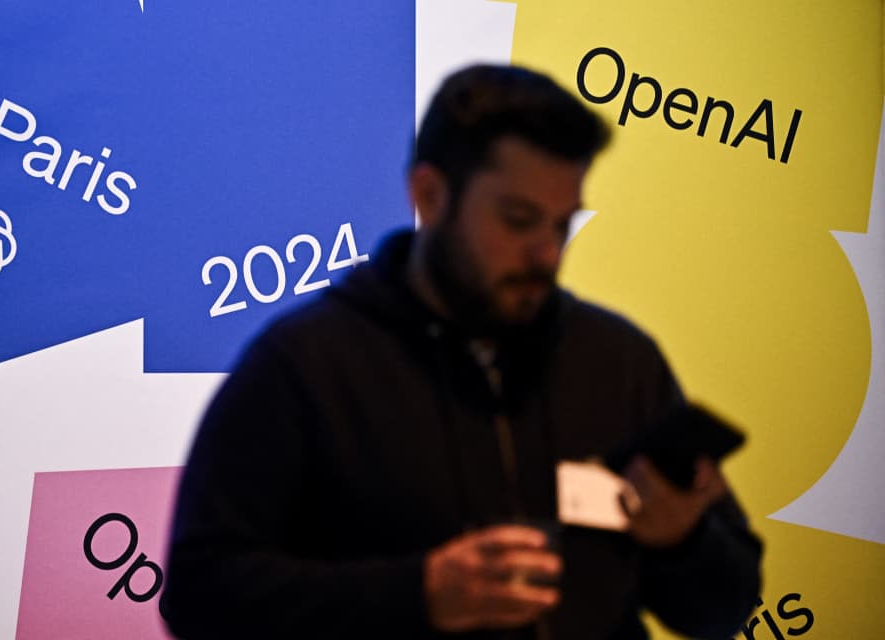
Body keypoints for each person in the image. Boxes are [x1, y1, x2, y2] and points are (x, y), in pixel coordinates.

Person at [159, 64, 761, 639]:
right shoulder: (305, 365)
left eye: (562, 225)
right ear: (430, 195)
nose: (547, 254)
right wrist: (416, 594)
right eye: (519, 219)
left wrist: (681, 542)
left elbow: (725, 608)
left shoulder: (618, 361)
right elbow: (200, 594)